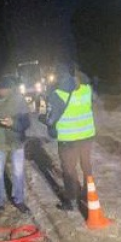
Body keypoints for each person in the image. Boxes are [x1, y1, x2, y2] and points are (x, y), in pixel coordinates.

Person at [44, 62, 96, 212]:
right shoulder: (87, 90)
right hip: (86, 136)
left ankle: (71, 200)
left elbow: (50, 119)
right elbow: (90, 106)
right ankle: (88, 192)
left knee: (69, 170)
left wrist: (44, 119)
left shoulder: (58, 94)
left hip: (68, 139)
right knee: (86, 165)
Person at [0, 76, 31, 215]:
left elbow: (26, 124)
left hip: (16, 142)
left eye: (1, 88)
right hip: (0, 143)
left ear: (8, 89)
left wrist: (13, 124)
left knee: (18, 173)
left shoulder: (20, 102)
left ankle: (19, 200)